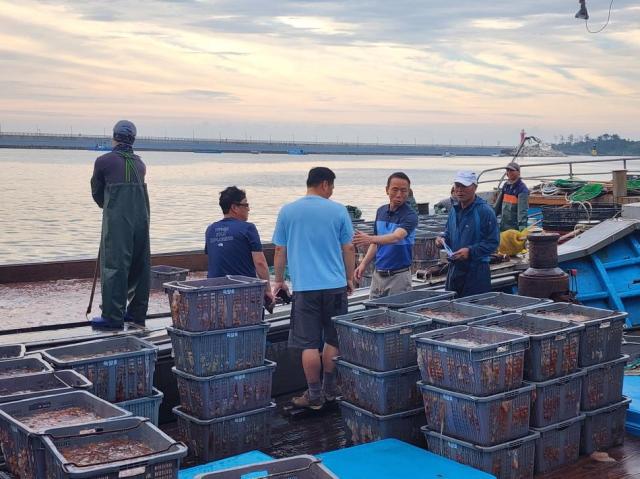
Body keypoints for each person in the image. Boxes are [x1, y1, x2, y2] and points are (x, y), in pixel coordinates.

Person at [272, 167, 355, 410]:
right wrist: (349, 278)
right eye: (332, 187)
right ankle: (330, 390)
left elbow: (279, 250)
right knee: (332, 340)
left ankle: (314, 395)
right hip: (335, 287)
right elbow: (348, 249)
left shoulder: (288, 211)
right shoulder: (338, 210)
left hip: (305, 289)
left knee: (308, 345)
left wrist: (279, 280)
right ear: (326, 184)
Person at [90, 120, 150, 329]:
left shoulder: (103, 161)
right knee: (140, 264)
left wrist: (111, 210)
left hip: (118, 221)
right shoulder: (141, 164)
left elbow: (97, 193)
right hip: (141, 220)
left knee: (115, 264)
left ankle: (113, 316)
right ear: (133, 139)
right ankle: (136, 314)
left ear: (114, 136)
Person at [205, 186, 274, 306]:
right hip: (244, 294)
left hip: (215, 296)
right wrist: (268, 290)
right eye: (246, 205)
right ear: (234, 207)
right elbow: (260, 263)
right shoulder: (248, 228)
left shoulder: (210, 230)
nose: (249, 209)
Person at [353, 172, 418, 299]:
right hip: (378, 275)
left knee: (398, 316)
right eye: (395, 189)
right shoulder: (381, 211)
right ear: (387, 190)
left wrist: (369, 238)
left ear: (408, 192)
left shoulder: (410, 216)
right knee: (373, 314)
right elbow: (376, 243)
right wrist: (363, 264)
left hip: (399, 277)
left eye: (403, 190)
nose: (399, 194)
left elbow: (396, 237)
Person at [437, 171, 499, 298]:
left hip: (476, 272)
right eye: (457, 186)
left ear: (475, 187)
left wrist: (470, 252)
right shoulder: (454, 210)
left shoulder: (485, 211)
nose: (459, 190)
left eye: (464, 186)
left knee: (475, 310)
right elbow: (449, 233)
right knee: (451, 309)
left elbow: (493, 242)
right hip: (454, 269)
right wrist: (442, 240)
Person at [494, 162, 529, 231]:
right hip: (503, 225)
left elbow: (522, 212)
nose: (509, 172)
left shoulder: (522, 189)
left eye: (512, 170)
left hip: (514, 228)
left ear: (518, 172)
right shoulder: (506, 186)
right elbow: (497, 205)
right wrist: (491, 217)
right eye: (508, 170)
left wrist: (522, 229)